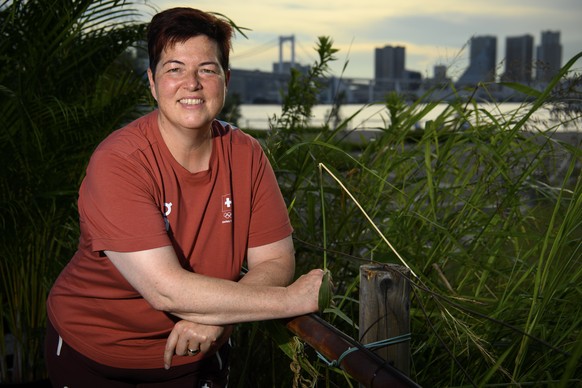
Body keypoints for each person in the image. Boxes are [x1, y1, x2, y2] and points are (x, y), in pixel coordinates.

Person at [45, 7, 323, 387]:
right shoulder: (120, 161)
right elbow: (165, 289)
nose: (191, 83)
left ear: (225, 79)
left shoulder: (247, 155)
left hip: (196, 352)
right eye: (174, 69)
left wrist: (216, 317)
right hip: (95, 353)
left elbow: (275, 258)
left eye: (206, 70)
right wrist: (293, 301)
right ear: (152, 82)